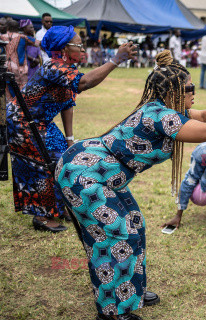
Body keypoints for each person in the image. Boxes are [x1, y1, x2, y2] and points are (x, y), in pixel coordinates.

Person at [55, 50, 206, 320]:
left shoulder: (169, 110)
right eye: (189, 87)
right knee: (117, 235)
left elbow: (204, 116)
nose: (194, 91)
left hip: (103, 173)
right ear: (173, 91)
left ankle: (129, 290)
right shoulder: (161, 116)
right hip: (84, 173)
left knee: (134, 225)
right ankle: (113, 311)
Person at [6, 26, 137, 233]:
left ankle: (60, 207)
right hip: (22, 121)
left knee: (64, 159)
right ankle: (43, 215)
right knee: (43, 164)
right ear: (65, 49)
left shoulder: (67, 68)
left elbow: (67, 104)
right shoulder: (53, 67)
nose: (83, 49)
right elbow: (84, 83)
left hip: (41, 122)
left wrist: (69, 138)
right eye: (79, 45)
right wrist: (115, 60)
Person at [0, 19, 38, 100]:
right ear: (18, 28)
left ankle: (10, 109)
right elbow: (39, 44)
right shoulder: (23, 37)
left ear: (7, 28)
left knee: (8, 94)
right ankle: (20, 110)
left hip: (6, 69)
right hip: (21, 70)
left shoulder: (2, 37)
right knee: (22, 94)